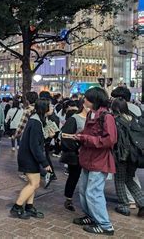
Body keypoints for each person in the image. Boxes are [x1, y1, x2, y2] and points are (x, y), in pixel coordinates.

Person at [69, 87, 117, 235]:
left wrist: (85, 138)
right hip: (88, 158)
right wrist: (80, 135)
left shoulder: (106, 116)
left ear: (95, 100)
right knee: (84, 190)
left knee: (94, 192)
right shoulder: (91, 113)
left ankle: (105, 225)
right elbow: (88, 133)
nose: (84, 100)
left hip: (99, 160)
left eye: (87, 98)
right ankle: (91, 216)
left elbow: (110, 140)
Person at [10, 99, 53, 219]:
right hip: (28, 157)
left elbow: (37, 143)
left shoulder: (37, 120)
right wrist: (44, 162)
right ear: (44, 108)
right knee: (34, 184)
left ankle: (29, 207)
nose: (52, 108)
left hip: (30, 156)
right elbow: (34, 145)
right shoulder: (35, 122)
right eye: (50, 106)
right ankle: (17, 207)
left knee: (33, 183)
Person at [110, 98, 144, 218]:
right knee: (129, 178)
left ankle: (123, 206)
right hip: (135, 155)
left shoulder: (116, 120)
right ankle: (142, 203)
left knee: (119, 179)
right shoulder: (134, 118)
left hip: (122, 155)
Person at [60, 100, 88, 212]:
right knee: (74, 175)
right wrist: (77, 148)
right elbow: (65, 136)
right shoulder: (74, 118)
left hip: (89, 153)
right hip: (76, 153)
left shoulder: (94, 119)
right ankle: (68, 198)